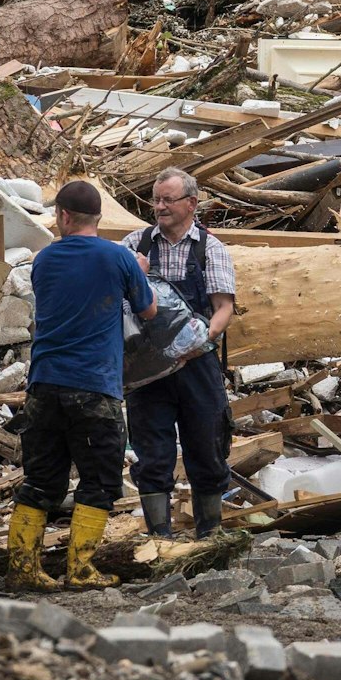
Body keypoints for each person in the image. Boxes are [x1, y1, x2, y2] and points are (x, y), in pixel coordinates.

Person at [9, 180, 155, 591]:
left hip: (44, 385)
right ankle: (81, 569)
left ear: (64, 216)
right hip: (95, 388)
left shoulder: (44, 259)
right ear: (97, 217)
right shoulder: (120, 258)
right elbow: (149, 310)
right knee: (100, 480)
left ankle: (23, 570)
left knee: (41, 480)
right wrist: (138, 273)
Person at [123, 167, 237, 538]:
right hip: (146, 370)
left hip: (196, 366)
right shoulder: (135, 245)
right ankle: (160, 538)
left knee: (207, 445)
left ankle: (210, 536)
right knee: (152, 452)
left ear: (192, 203)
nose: (159, 207)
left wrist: (202, 340)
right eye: (156, 200)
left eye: (168, 200)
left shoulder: (210, 249)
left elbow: (224, 308)